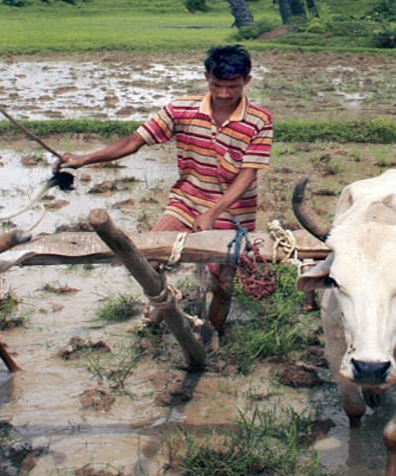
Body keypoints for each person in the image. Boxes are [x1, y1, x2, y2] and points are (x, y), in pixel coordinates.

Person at [54, 44, 273, 334]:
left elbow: (247, 176)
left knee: (223, 284)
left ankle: (213, 336)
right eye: (216, 85)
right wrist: (84, 159)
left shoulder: (259, 120)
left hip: (232, 211)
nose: (223, 94)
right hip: (186, 201)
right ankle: (163, 310)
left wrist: (212, 212)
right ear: (206, 78)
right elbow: (134, 141)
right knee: (148, 259)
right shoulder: (181, 109)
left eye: (232, 86)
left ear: (247, 80)